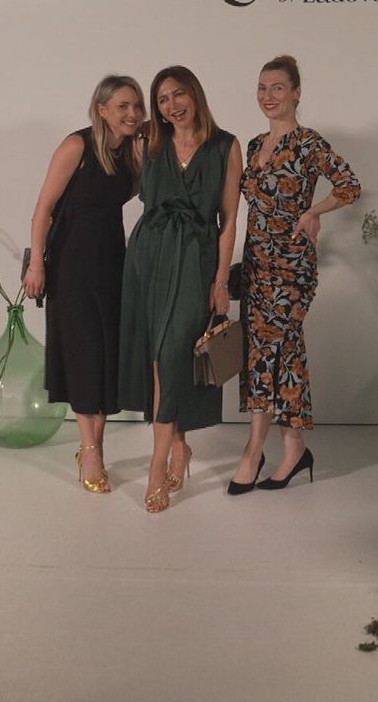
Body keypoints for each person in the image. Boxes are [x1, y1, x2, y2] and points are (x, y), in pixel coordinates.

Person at [229, 55, 360, 494]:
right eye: (262, 87)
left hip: (290, 265)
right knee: (275, 354)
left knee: (270, 351)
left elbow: (349, 185)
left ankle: (253, 450)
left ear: (297, 93)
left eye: (278, 88)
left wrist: (313, 211)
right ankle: (294, 448)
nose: (268, 96)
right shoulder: (254, 145)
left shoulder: (308, 143)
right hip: (256, 264)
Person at [118, 65, 243, 513]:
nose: (172, 105)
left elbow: (229, 220)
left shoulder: (226, 146)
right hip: (148, 258)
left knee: (173, 355)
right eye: (163, 99)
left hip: (195, 261)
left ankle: (157, 465)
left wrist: (221, 280)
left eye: (178, 94)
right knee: (158, 359)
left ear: (195, 94)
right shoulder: (148, 142)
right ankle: (177, 448)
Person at [23, 75, 144, 494]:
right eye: (123, 106)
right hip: (71, 266)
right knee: (84, 356)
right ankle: (89, 450)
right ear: (102, 109)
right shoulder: (76, 146)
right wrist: (36, 264)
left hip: (112, 263)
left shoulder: (130, 152)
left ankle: (96, 447)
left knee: (106, 356)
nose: (133, 113)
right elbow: (43, 208)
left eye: (137, 106)